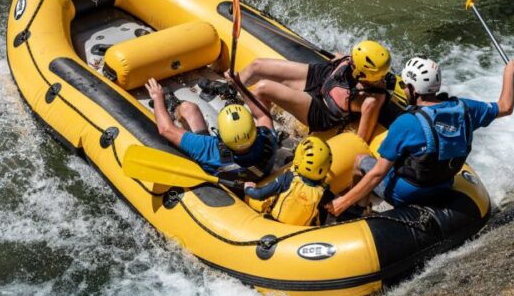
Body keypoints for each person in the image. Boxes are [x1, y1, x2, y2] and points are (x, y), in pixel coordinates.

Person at [327, 57, 514, 216]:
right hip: (443, 185)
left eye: (404, 84)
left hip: (407, 194)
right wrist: (508, 72)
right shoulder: (465, 109)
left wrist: (341, 202)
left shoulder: (407, 123)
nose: (402, 88)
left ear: (414, 89)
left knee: (361, 161)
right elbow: (505, 107)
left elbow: (377, 174)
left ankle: (356, 210)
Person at [236, 41, 391, 141]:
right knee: (257, 65)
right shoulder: (358, 67)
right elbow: (344, 59)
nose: (349, 59)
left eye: (353, 61)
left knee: (263, 88)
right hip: (324, 77)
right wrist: (340, 58)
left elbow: (360, 141)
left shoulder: (371, 101)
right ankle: (231, 88)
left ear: (362, 73)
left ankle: (268, 139)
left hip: (321, 109)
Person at [145, 77, 278, 181]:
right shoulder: (268, 140)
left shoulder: (208, 149)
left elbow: (165, 129)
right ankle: (175, 107)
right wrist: (239, 85)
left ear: (220, 136)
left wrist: (157, 97)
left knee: (188, 108)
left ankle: (173, 108)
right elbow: (263, 116)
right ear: (253, 130)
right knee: (188, 108)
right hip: (248, 175)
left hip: (215, 167)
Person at [244, 136, 334, 226]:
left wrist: (248, 189)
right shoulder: (324, 193)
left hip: (275, 224)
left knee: (249, 198)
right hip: (296, 233)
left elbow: (260, 194)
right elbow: (321, 220)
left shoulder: (288, 178)